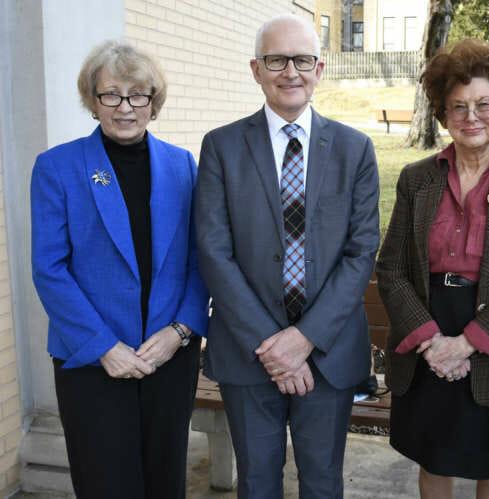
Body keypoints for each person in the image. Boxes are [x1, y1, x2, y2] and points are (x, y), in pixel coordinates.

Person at [194, 14, 380, 499]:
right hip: (247, 351)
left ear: (319, 70)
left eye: (302, 60)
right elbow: (214, 252)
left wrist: (303, 340)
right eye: (276, 60)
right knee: (256, 482)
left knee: (322, 482)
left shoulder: (354, 149)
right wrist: (273, 346)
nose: (290, 72)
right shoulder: (221, 146)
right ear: (256, 69)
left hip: (328, 351)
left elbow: (361, 253)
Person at [376, 39, 489, 499]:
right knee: (434, 462)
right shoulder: (418, 178)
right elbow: (392, 268)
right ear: (442, 114)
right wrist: (432, 340)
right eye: (458, 107)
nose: (471, 117)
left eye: (483, 104)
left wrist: (467, 345)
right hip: (427, 338)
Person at [30, 40, 209, 499]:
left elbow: (198, 259)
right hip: (93, 362)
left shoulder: (182, 165)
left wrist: (182, 331)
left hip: (168, 357)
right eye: (111, 94)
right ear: (93, 101)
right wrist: (104, 347)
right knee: (107, 484)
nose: (125, 107)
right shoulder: (57, 167)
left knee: (165, 481)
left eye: (138, 95)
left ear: (154, 102)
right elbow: (50, 269)